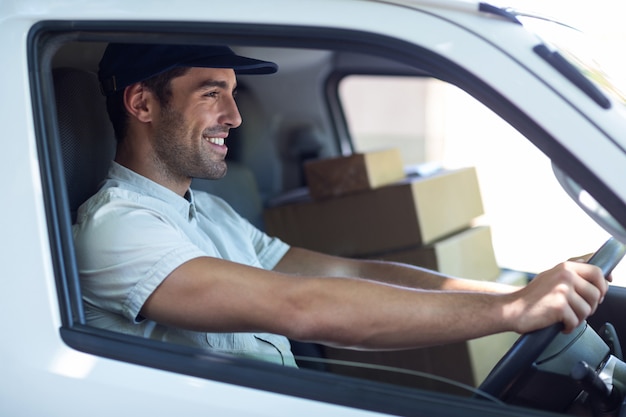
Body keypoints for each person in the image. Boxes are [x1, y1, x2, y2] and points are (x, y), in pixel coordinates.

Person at [72, 43, 609, 367]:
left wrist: (515, 293)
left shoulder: (209, 213)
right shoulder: (116, 228)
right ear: (142, 103)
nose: (235, 117)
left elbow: (347, 271)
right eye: (212, 93)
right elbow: (300, 308)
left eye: (234, 94)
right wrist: (510, 314)